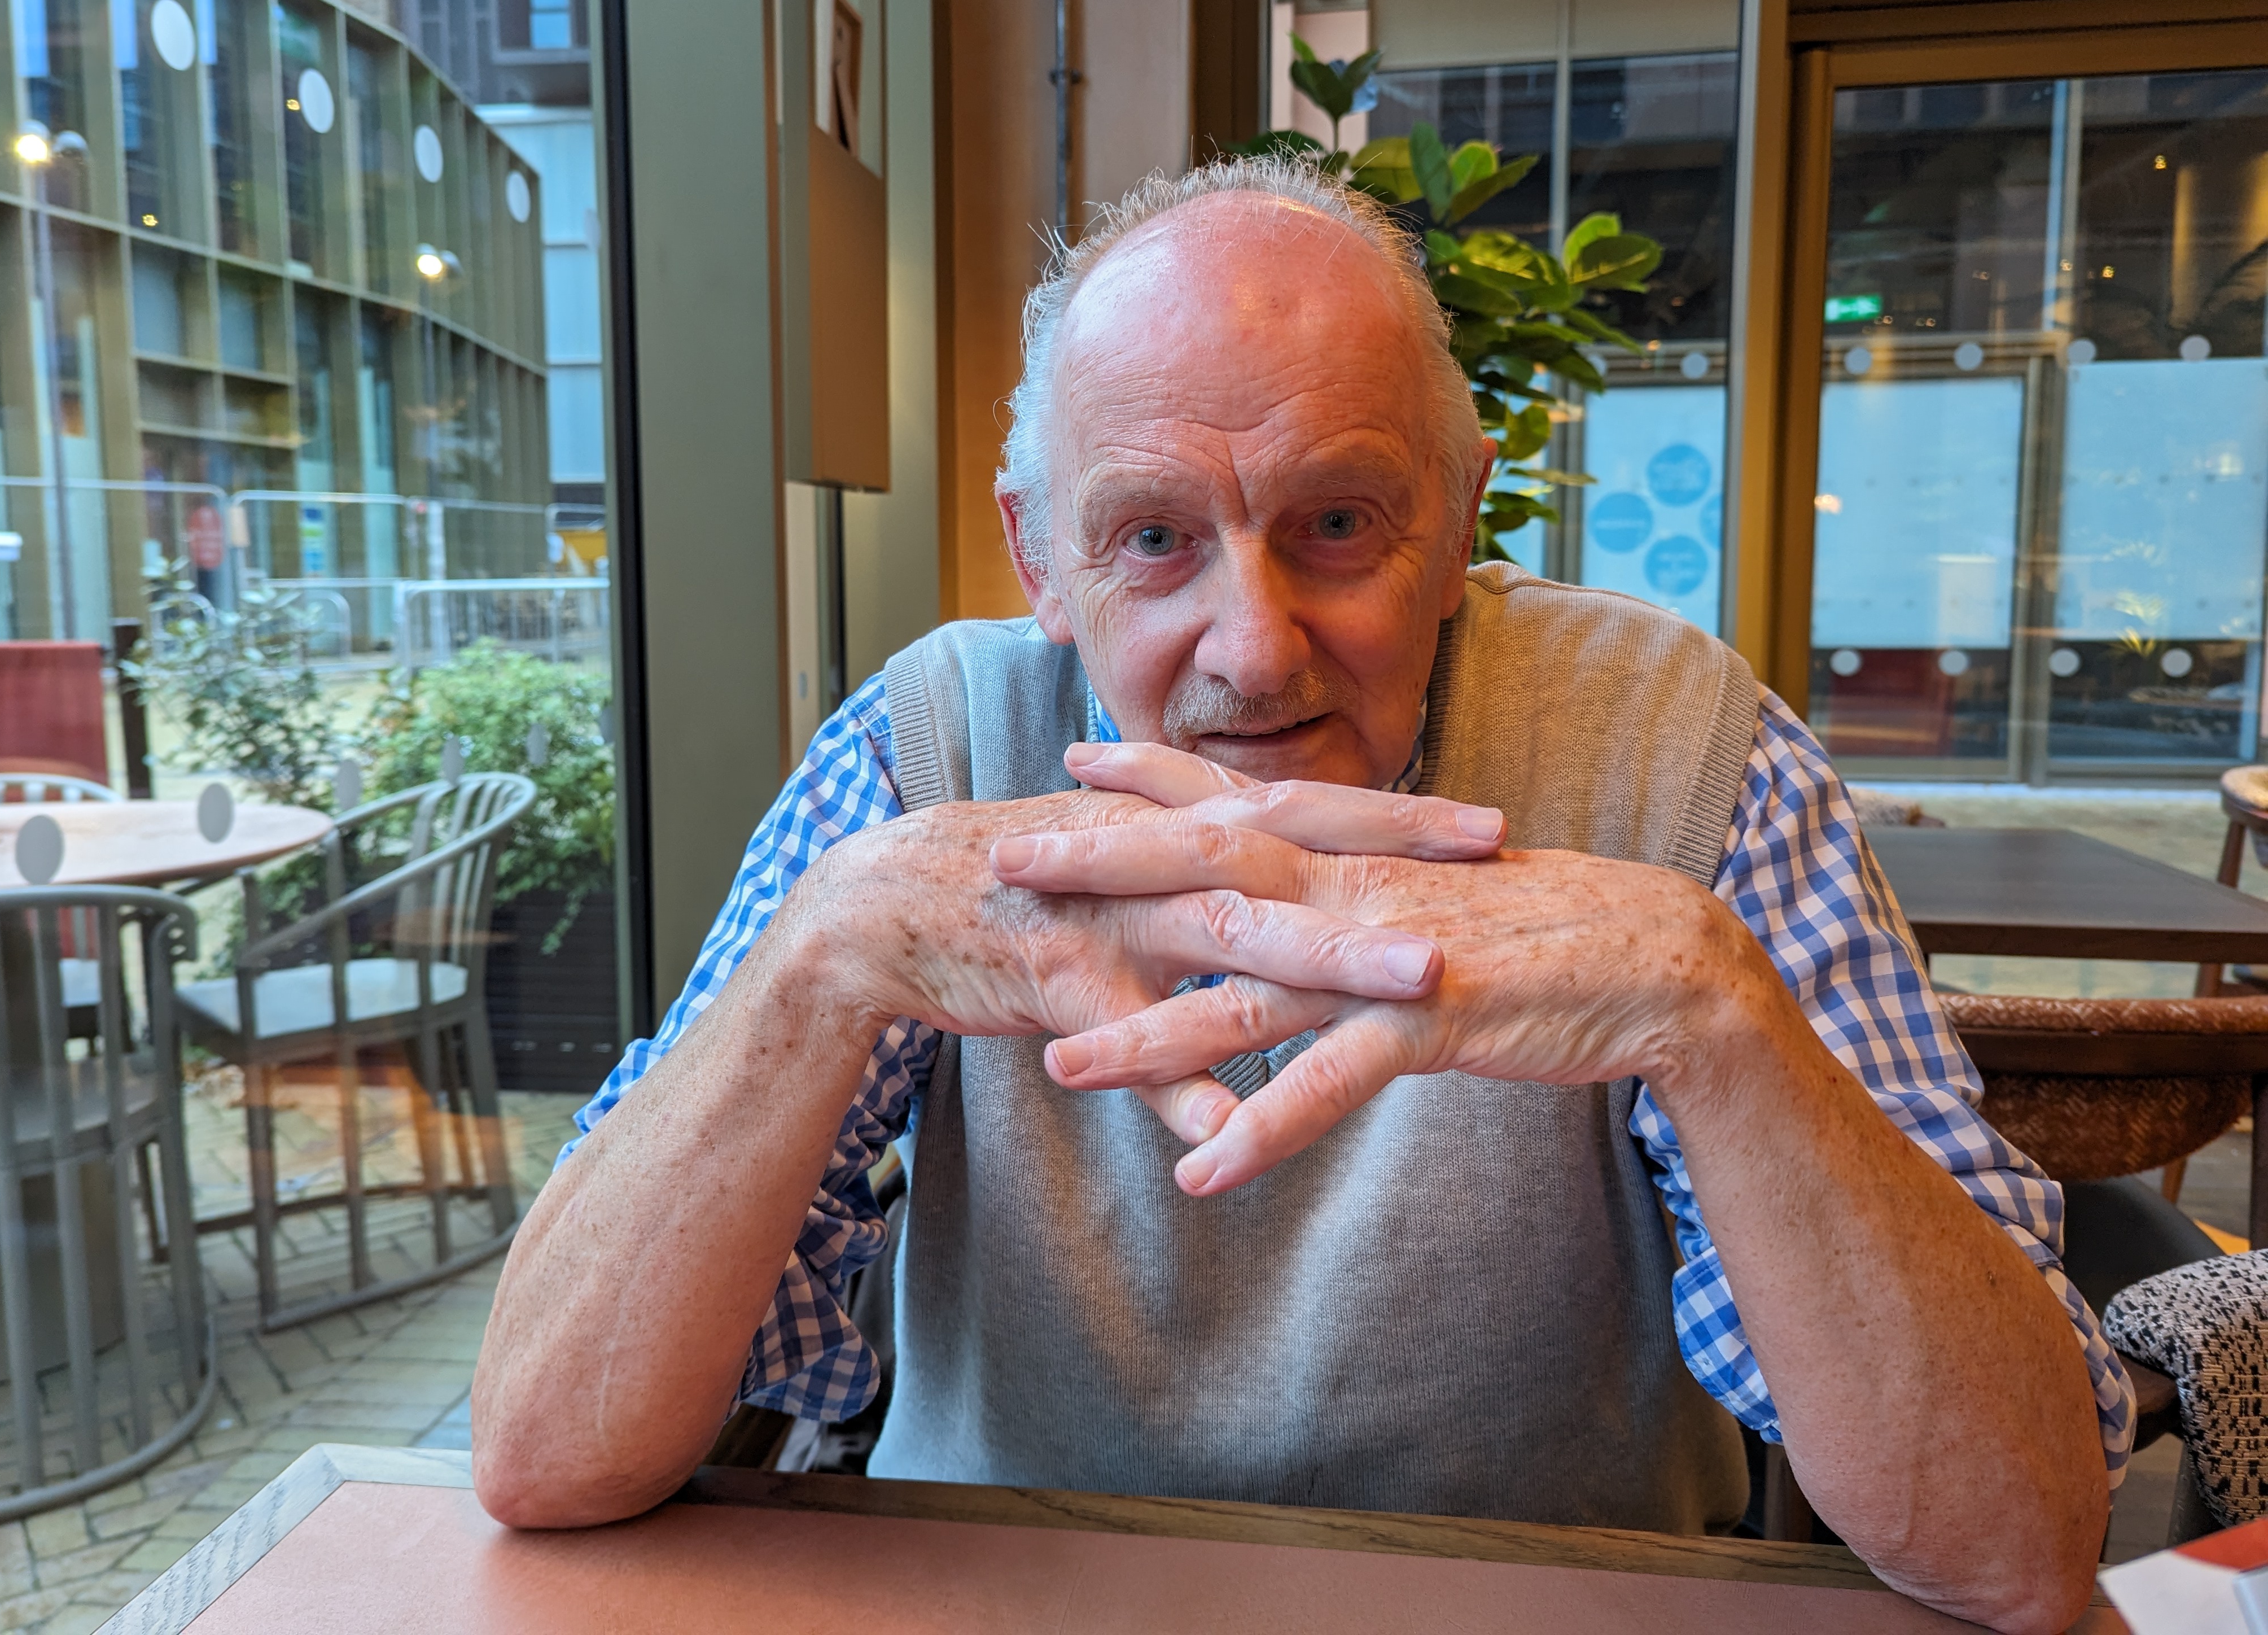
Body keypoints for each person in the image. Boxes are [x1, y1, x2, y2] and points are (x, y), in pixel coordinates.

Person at [473, 156, 2127, 1633]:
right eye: (1151, 539)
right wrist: (823, 958)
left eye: (1337, 522)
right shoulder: (925, 755)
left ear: (1461, 512)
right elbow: (544, 1452)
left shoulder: (1693, 757)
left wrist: (1714, 1008)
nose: (1255, 651)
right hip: (998, 1596)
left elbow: (2018, 1545)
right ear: (1039, 556)